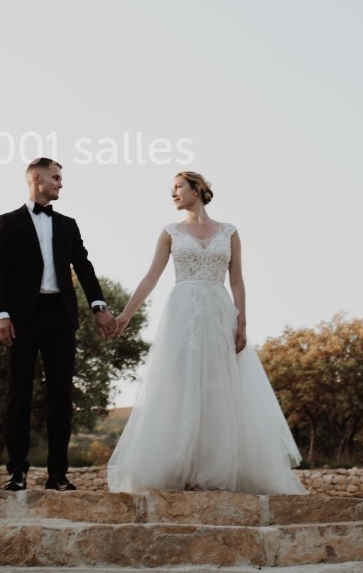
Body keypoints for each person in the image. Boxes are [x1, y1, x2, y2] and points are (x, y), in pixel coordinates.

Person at [106, 171, 307, 494]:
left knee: (218, 387)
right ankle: (179, 465)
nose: (172, 193)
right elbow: (150, 278)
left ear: (197, 189)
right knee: (180, 385)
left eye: (178, 187)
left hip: (219, 310)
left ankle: (216, 468)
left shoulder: (229, 232)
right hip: (181, 312)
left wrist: (241, 322)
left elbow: (238, 280)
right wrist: (126, 315)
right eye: (170, 189)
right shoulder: (170, 232)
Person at [0, 157, 116, 491]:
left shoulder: (67, 225)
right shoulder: (9, 221)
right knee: (19, 394)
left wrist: (99, 306)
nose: (61, 183)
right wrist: (0, 314)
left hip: (61, 316)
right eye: (56, 177)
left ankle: (58, 474)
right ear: (36, 178)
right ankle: (16, 472)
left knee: (61, 397)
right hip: (22, 319)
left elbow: (84, 267)